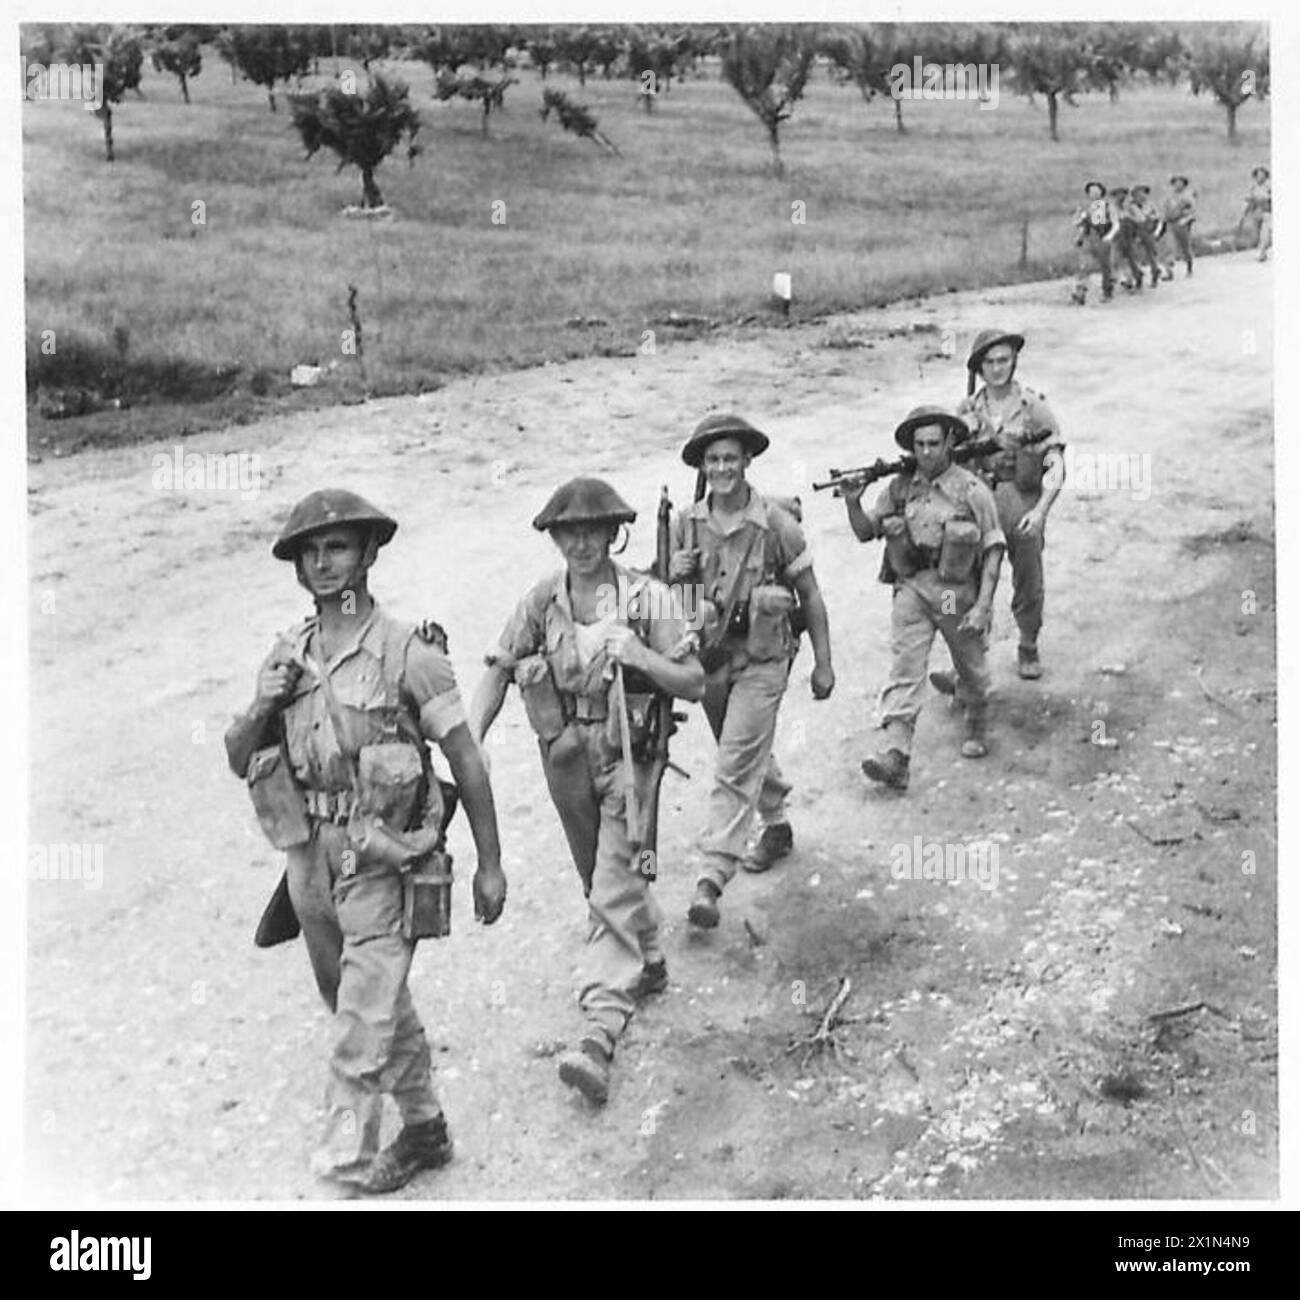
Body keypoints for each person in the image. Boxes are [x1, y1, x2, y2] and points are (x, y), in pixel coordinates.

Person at [224, 489, 507, 1195]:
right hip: (310, 860)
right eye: (311, 553)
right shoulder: (287, 654)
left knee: (360, 1022)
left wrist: (491, 865)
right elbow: (238, 754)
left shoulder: (409, 655)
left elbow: (467, 760)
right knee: (361, 1001)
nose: (324, 564)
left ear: (369, 554)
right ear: (297, 568)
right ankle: (424, 1127)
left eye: (339, 548)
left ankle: (344, 1163)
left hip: (386, 858)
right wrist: (265, 699)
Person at [470, 478, 704, 1107]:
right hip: (568, 759)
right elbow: (497, 666)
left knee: (611, 884)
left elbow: (695, 682)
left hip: (632, 760)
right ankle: (649, 957)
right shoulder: (542, 602)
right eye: (566, 532)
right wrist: (473, 739)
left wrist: (642, 658)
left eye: (591, 531)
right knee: (595, 878)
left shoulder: (647, 599)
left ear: (612, 533)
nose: (579, 543)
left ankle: (600, 1031)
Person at [669, 414, 834, 928]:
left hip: (765, 660)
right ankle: (777, 821)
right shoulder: (685, 524)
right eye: (712, 460)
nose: (721, 468)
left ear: (746, 462)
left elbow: (810, 595)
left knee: (734, 761)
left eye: (730, 459)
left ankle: (712, 877)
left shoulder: (776, 526)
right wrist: (669, 574)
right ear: (703, 467)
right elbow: (671, 601)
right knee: (738, 748)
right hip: (712, 660)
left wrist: (824, 664)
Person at [842, 407, 1005, 789]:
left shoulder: (971, 490)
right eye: (920, 445)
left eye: (934, 443)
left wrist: (982, 605)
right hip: (913, 586)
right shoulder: (900, 487)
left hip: (951, 592)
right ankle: (896, 753)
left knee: (968, 656)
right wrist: (853, 502)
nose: (928, 452)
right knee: (905, 665)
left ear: (950, 442)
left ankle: (977, 715)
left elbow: (994, 547)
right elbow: (867, 532)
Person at [952, 330, 1066, 682]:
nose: (998, 368)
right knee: (967, 580)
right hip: (980, 499)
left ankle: (1028, 643)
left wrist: (1041, 510)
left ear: (1014, 362)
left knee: (1028, 578)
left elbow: (1056, 462)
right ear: (979, 368)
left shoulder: (1033, 407)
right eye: (990, 362)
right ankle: (971, 661)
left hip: (1020, 497)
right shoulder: (967, 410)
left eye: (1004, 360)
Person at [1071, 180, 1118, 305]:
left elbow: (1115, 223)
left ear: (1102, 192)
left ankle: (1107, 291)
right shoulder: (1084, 207)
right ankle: (1080, 293)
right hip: (1089, 238)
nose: (1094, 194)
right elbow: (1077, 223)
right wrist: (1081, 222)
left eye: (1096, 191)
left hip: (1103, 238)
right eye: (1091, 191)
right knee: (1085, 266)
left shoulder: (1107, 206)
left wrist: (1110, 236)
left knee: (1105, 267)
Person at [1124, 185, 1163, 289]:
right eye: (1137, 194)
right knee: (1135, 256)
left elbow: (1159, 219)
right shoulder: (1130, 207)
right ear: (1133, 196)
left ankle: (1154, 274)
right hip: (1137, 232)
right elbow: (1128, 219)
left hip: (1149, 232)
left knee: (1152, 255)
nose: (1141, 196)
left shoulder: (1150, 205)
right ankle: (1137, 278)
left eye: (1143, 193)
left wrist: (1156, 232)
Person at [1160, 175, 1196, 278]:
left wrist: (1185, 220)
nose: (1177, 185)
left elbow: (1193, 212)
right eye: (1175, 183)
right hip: (1171, 224)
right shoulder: (1169, 197)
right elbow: (1165, 211)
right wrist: (1163, 221)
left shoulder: (1188, 197)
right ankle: (1169, 270)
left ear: (1184, 185)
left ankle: (1189, 268)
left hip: (1182, 224)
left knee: (1185, 248)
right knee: (1169, 246)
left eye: (1180, 183)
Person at [1241, 166, 1272, 262]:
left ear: (1265, 176)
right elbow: (1248, 200)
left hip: (1267, 213)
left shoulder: (1269, 186)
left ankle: (1262, 252)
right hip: (1256, 213)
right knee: (1257, 235)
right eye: (1258, 175)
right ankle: (1262, 251)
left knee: (1265, 233)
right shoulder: (1253, 187)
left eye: (1262, 175)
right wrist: (1244, 213)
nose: (1260, 177)